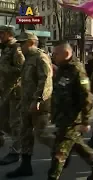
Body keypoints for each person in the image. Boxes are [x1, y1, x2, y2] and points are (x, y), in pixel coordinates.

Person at [47, 41, 93, 180]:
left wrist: (85, 121)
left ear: (66, 54)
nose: (53, 56)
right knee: (76, 144)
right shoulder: (62, 68)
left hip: (72, 118)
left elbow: (87, 97)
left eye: (56, 54)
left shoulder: (77, 70)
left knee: (58, 153)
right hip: (62, 117)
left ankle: (52, 176)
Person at [6, 32, 55, 178]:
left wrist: (38, 100)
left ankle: (61, 151)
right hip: (27, 103)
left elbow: (46, 80)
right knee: (25, 134)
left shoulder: (41, 57)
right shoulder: (28, 59)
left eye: (22, 43)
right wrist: (22, 101)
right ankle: (25, 166)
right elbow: (26, 82)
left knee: (42, 134)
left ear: (31, 43)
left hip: (39, 105)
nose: (20, 47)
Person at [0, 25, 24, 165]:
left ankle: (16, 151)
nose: (0, 36)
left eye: (2, 34)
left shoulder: (16, 49)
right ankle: (19, 139)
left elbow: (22, 69)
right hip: (5, 91)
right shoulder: (6, 48)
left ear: (9, 34)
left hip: (15, 92)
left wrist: (3, 67)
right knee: (2, 120)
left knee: (15, 123)